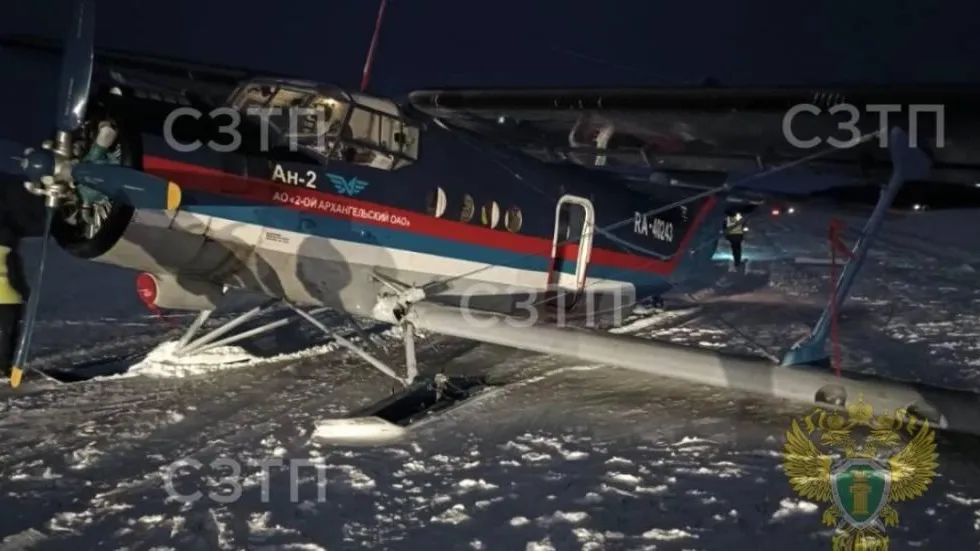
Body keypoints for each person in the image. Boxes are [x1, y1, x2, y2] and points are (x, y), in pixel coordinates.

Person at [0, 210, 27, 381]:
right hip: (9, 299)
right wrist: (25, 292)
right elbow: (15, 278)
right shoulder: (10, 255)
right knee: (8, 335)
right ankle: (5, 365)